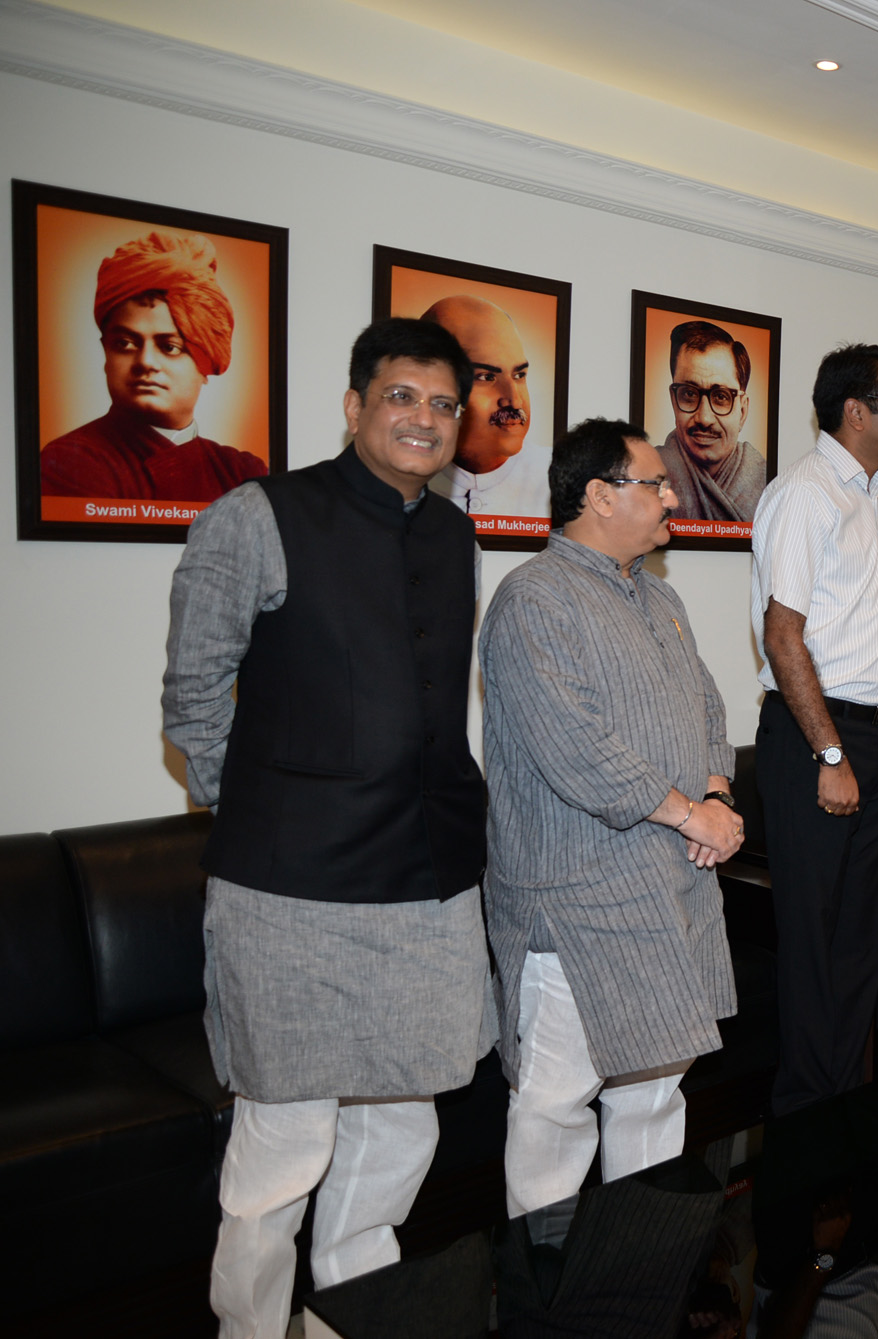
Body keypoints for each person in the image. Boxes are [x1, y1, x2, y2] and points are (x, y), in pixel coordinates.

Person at [162, 318, 491, 1337]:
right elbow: (192, 696)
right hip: (289, 895)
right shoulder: (255, 515)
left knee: (400, 1131)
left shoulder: (452, 533)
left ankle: (350, 1317)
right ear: (355, 406)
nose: (424, 419)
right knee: (283, 1146)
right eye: (403, 396)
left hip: (427, 884)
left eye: (443, 404)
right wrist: (270, 812)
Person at [480, 417, 746, 1216]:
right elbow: (575, 748)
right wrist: (686, 815)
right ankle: (547, 1281)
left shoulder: (657, 594)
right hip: (577, 901)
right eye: (653, 482)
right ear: (598, 495)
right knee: (556, 1107)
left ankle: (638, 1266)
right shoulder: (532, 599)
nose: (672, 495)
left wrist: (718, 795)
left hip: (668, 890)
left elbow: (705, 704)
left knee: (655, 1096)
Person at [750, 342, 878, 1114]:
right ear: (858, 410)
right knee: (816, 943)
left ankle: (845, 1104)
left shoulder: (865, 497)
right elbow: (783, 636)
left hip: (872, 735)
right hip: (818, 735)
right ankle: (804, 1116)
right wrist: (829, 751)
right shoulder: (806, 493)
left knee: (858, 940)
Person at [43, 229, 267, 501]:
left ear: (205, 363)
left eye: (169, 347)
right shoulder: (71, 461)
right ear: (106, 352)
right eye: (125, 344)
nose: (145, 362)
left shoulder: (241, 470)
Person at [422, 295, 549, 521]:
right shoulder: (404, 478)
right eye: (486, 377)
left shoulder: (554, 478)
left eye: (519, 375)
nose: (515, 401)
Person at [657, 319, 767, 522]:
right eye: (689, 394)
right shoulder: (652, 473)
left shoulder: (767, 484)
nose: (704, 418)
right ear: (674, 401)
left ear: (742, 411)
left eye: (721, 396)